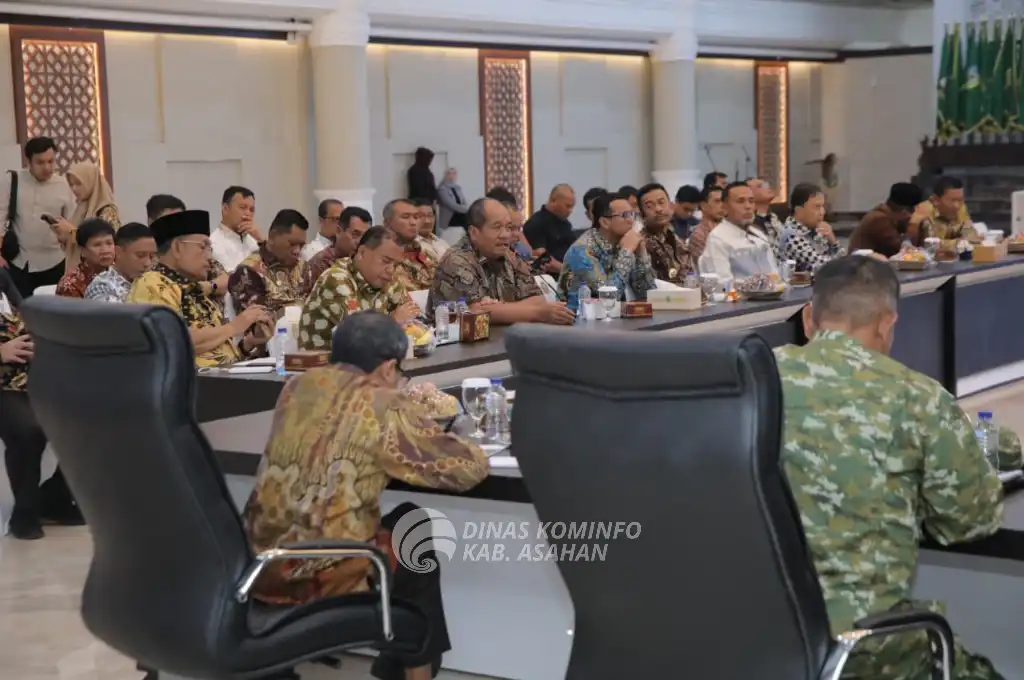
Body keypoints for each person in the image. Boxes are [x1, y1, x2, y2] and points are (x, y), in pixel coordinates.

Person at [774, 256, 1005, 680]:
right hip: (866, 648)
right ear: (887, 324)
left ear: (808, 318)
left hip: (754, 636)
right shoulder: (918, 396)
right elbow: (970, 520)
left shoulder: (753, 380)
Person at [244, 310, 488, 680]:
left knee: (402, 520)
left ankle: (394, 665)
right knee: (414, 531)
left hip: (261, 567)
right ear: (389, 368)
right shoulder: (384, 405)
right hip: (327, 573)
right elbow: (468, 469)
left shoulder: (296, 387)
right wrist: (426, 419)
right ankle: (405, 670)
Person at [127, 210, 270, 367]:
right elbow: (171, 343)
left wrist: (249, 343)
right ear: (177, 248)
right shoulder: (152, 283)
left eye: (210, 249)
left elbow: (216, 354)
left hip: (220, 378)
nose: (210, 257)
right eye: (203, 247)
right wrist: (233, 327)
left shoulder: (195, 290)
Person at [0, 302, 83, 540]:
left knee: (96, 415)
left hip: (35, 379)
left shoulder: (7, 291)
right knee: (28, 430)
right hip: (5, 387)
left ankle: (55, 496)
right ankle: (25, 510)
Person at [427, 198, 573, 325]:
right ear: (474, 233)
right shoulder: (456, 261)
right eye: (497, 227)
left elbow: (537, 300)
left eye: (508, 227)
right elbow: (477, 313)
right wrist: (537, 313)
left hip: (502, 337)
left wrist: (499, 309)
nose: (506, 235)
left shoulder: (510, 256)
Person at [299, 227, 418, 351]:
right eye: (385, 261)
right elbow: (359, 338)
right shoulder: (336, 279)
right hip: (324, 361)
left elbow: (416, 321)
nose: (391, 270)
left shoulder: (388, 281)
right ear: (362, 253)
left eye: (396, 265)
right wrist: (393, 322)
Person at [0, 137, 77, 297]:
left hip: (55, 261)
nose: (47, 167)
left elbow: (73, 223)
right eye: (40, 162)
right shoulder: (12, 180)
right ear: (29, 161)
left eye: (51, 161)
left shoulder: (64, 185)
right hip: (20, 261)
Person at [229, 209, 315, 340]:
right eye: (292, 244)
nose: (297, 251)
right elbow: (258, 328)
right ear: (273, 236)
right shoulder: (249, 271)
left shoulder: (304, 267)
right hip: (269, 346)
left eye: (301, 245)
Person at [558, 191, 656, 305]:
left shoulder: (623, 242)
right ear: (605, 222)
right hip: (578, 314)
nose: (631, 221)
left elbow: (647, 294)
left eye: (632, 214)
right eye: (625, 215)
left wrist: (641, 254)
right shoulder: (581, 251)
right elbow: (609, 298)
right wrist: (626, 252)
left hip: (615, 313)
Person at [698, 182, 779, 281]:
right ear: (725, 207)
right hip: (739, 291)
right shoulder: (718, 239)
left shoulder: (759, 234)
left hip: (770, 290)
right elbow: (722, 283)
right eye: (740, 201)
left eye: (751, 201)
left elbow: (774, 274)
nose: (748, 206)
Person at [64, 161, 120, 271]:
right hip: (80, 270)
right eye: (71, 184)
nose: (74, 189)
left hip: (99, 271)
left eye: (78, 184)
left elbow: (107, 241)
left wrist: (71, 232)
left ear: (91, 182)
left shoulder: (106, 210)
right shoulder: (80, 208)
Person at [848, 182, 929, 258]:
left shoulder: (890, 217)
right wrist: (913, 225)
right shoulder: (878, 219)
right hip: (861, 265)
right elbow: (902, 251)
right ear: (905, 211)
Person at [778, 183, 844, 273]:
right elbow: (825, 267)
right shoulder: (791, 235)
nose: (822, 212)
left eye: (823, 206)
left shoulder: (815, 229)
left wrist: (833, 241)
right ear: (798, 210)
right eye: (817, 207)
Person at [85, 223, 157, 303]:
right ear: (118, 252)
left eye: (151, 257)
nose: (147, 263)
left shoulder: (156, 283)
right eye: (140, 255)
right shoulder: (102, 287)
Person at [637, 183, 694, 285]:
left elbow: (690, 273)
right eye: (650, 206)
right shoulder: (641, 243)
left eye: (661, 202)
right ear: (642, 214)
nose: (658, 209)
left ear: (670, 206)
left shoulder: (673, 238)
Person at [383, 198, 437, 292]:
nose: (413, 222)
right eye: (405, 217)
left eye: (416, 217)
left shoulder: (427, 255)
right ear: (387, 224)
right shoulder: (381, 259)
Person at [307, 206, 372, 283]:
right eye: (355, 234)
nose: (360, 241)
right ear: (338, 231)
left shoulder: (364, 261)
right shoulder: (321, 263)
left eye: (365, 236)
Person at [523, 184, 576, 275]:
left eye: (572, 207)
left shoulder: (565, 224)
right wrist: (571, 271)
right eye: (567, 206)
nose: (571, 211)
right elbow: (543, 259)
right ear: (553, 200)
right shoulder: (536, 223)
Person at [55, 218, 116, 298]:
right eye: (97, 245)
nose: (105, 250)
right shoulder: (71, 285)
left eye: (109, 243)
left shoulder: (122, 272)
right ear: (83, 251)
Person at [211, 186, 262, 272]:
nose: (248, 213)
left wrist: (260, 239)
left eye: (251, 210)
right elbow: (234, 277)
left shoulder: (253, 240)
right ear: (225, 209)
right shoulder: (214, 243)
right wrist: (259, 254)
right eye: (243, 207)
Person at [920, 176, 976, 241]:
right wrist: (960, 241)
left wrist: (966, 240)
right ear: (936, 200)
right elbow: (933, 243)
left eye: (960, 199)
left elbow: (972, 237)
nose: (957, 206)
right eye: (952, 200)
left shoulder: (961, 207)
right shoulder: (925, 210)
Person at [747, 177, 783, 259]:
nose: (767, 188)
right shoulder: (748, 221)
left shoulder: (774, 217)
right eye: (760, 186)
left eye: (766, 185)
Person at [687, 185, 725, 262]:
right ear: (703, 205)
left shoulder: (730, 229)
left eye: (724, 201)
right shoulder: (699, 235)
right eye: (717, 201)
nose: (722, 206)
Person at [436, 167, 469, 238]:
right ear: (445, 176)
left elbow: (464, 202)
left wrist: (468, 209)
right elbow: (451, 205)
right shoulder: (442, 189)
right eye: (449, 174)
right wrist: (466, 210)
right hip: (450, 217)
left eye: (454, 174)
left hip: (460, 214)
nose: (451, 176)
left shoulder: (457, 188)